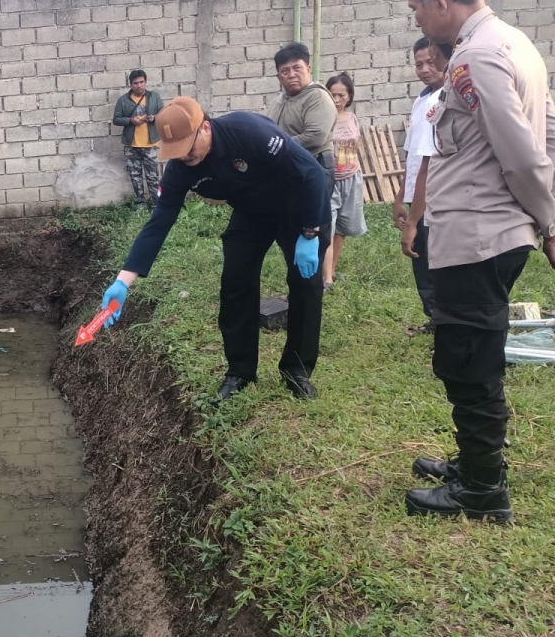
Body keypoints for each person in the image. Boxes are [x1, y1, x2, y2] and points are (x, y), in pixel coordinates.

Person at [402, 0, 555, 523]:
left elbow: (521, 152)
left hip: (478, 231)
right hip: (491, 229)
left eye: (417, 6)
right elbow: (550, 131)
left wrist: (550, 221)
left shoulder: (477, 58)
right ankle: (474, 464)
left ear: (441, 1)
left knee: (468, 358)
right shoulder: (514, 42)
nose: (416, 16)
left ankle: (484, 491)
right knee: (470, 353)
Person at [98, 97, 331, 401]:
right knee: (236, 282)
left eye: (188, 148)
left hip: (298, 207)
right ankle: (240, 371)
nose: (184, 157)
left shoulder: (249, 131)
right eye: (176, 152)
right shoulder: (182, 168)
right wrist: (122, 280)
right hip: (251, 212)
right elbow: (160, 222)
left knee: (305, 284)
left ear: (205, 128)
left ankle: (297, 370)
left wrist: (311, 233)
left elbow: (311, 173)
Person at [394, 38, 448, 326]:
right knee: (421, 259)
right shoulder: (420, 100)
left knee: (437, 261)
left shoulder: (445, 100)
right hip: (416, 195)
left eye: (430, 62)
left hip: (435, 196)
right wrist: (401, 196)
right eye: (419, 64)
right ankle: (435, 317)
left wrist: (414, 218)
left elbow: (429, 164)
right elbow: (412, 156)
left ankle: (446, 320)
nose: (425, 69)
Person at [322, 72, 368, 291]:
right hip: (330, 180)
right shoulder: (324, 118)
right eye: (333, 95)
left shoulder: (352, 118)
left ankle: (330, 270)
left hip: (351, 178)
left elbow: (356, 146)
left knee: (341, 229)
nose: (337, 99)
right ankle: (327, 279)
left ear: (349, 97)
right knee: (327, 228)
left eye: (342, 95)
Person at [266, 42, 338, 178]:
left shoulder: (317, 96)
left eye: (297, 68)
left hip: (313, 169)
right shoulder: (278, 102)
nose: (292, 75)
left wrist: (276, 146)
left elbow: (315, 136)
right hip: (287, 170)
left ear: (309, 69)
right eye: (285, 71)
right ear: (279, 77)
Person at [112, 70, 164, 209]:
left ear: (145, 82)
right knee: (135, 176)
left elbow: (164, 114)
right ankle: (140, 203)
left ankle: (156, 204)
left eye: (141, 82)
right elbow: (116, 119)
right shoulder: (123, 100)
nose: (139, 85)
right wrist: (130, 120)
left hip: (150, 143)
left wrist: (154, 118)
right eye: (136, 83)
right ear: (131, 84)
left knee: (153, 177)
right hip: (131, 145)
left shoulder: (154, 97)